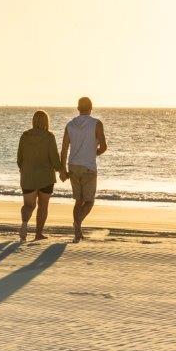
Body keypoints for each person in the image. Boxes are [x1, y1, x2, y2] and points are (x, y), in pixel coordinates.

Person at [59, 97, 108, 243]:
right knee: (89, 201)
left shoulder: (70, 124)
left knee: (78, 201)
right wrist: (94, 153)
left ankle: (77, 232)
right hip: (88, 167)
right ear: (91, 107)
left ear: (78, 108)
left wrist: (62, 169)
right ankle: (77, 223)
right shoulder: (96, 124)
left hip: (73, 165)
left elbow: (63, 150)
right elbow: (104, 146)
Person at [17, 110, 63, 242]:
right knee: (43, 205)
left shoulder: (25, 136)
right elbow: (54, 158)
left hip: (28, 177)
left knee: (28, 205)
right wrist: (61, 171)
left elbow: (19, 158)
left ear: (33, 121)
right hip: (46, 177)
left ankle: (24, 226)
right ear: (46, 122)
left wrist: (24, 169)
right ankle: (38, 234)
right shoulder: (49, 136)